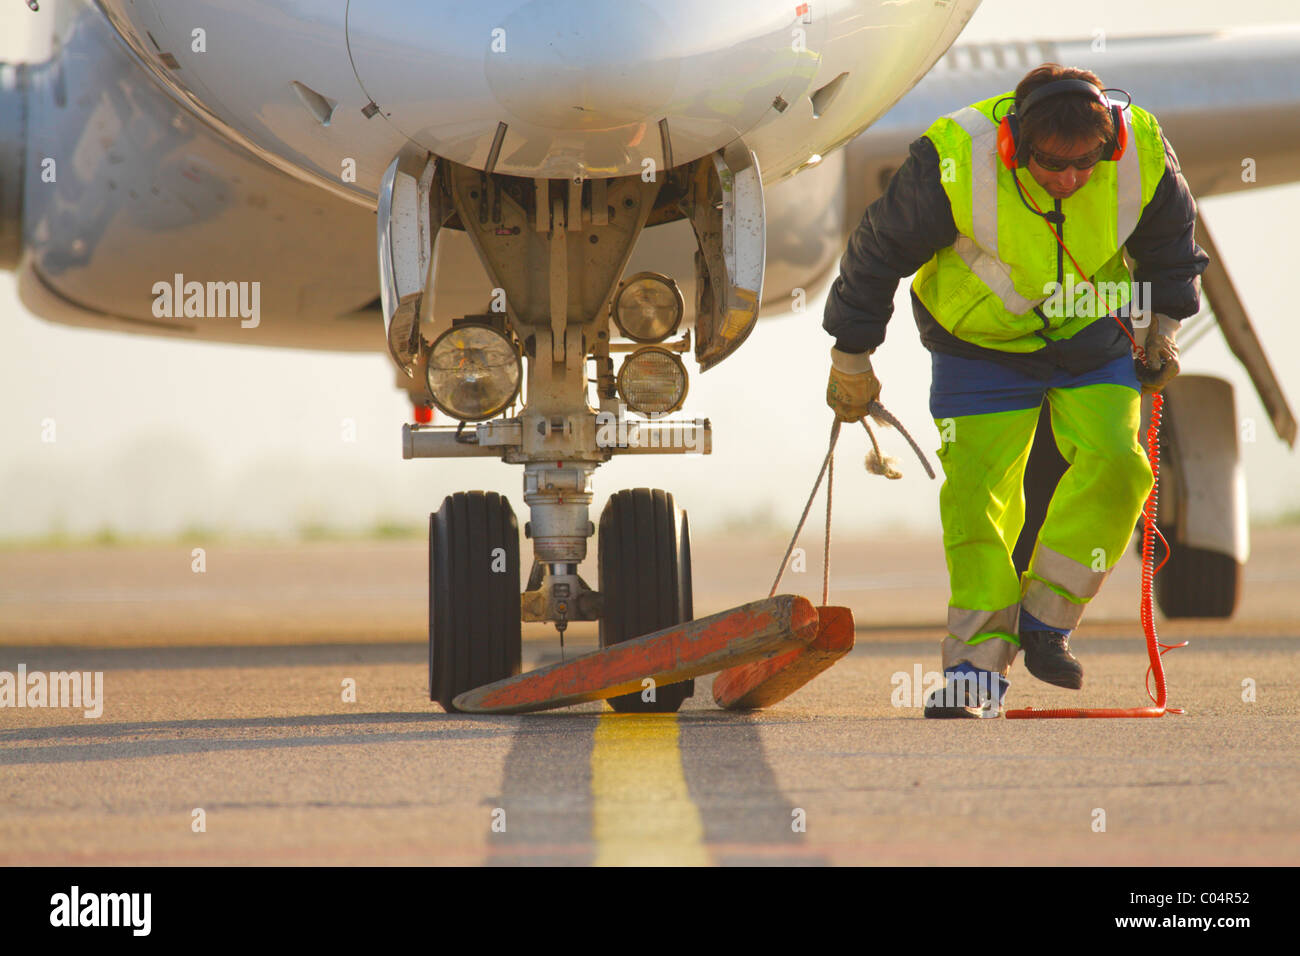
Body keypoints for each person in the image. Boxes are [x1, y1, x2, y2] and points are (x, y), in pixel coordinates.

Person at [823, 64, 1209, 717]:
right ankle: (975, 670)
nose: (1069, 179)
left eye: (1086, 164)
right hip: (980, 349)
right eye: (1053, 166)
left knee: (1120, 469)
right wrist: (852, 356)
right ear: (1013, 146)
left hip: (1093, 336)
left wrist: (1163, 328)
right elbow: (876, 251)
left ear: (1107, 142)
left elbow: (1172, 247)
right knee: (978, 503)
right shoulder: (955, 156)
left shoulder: (1139, 146)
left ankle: (1045, 620)